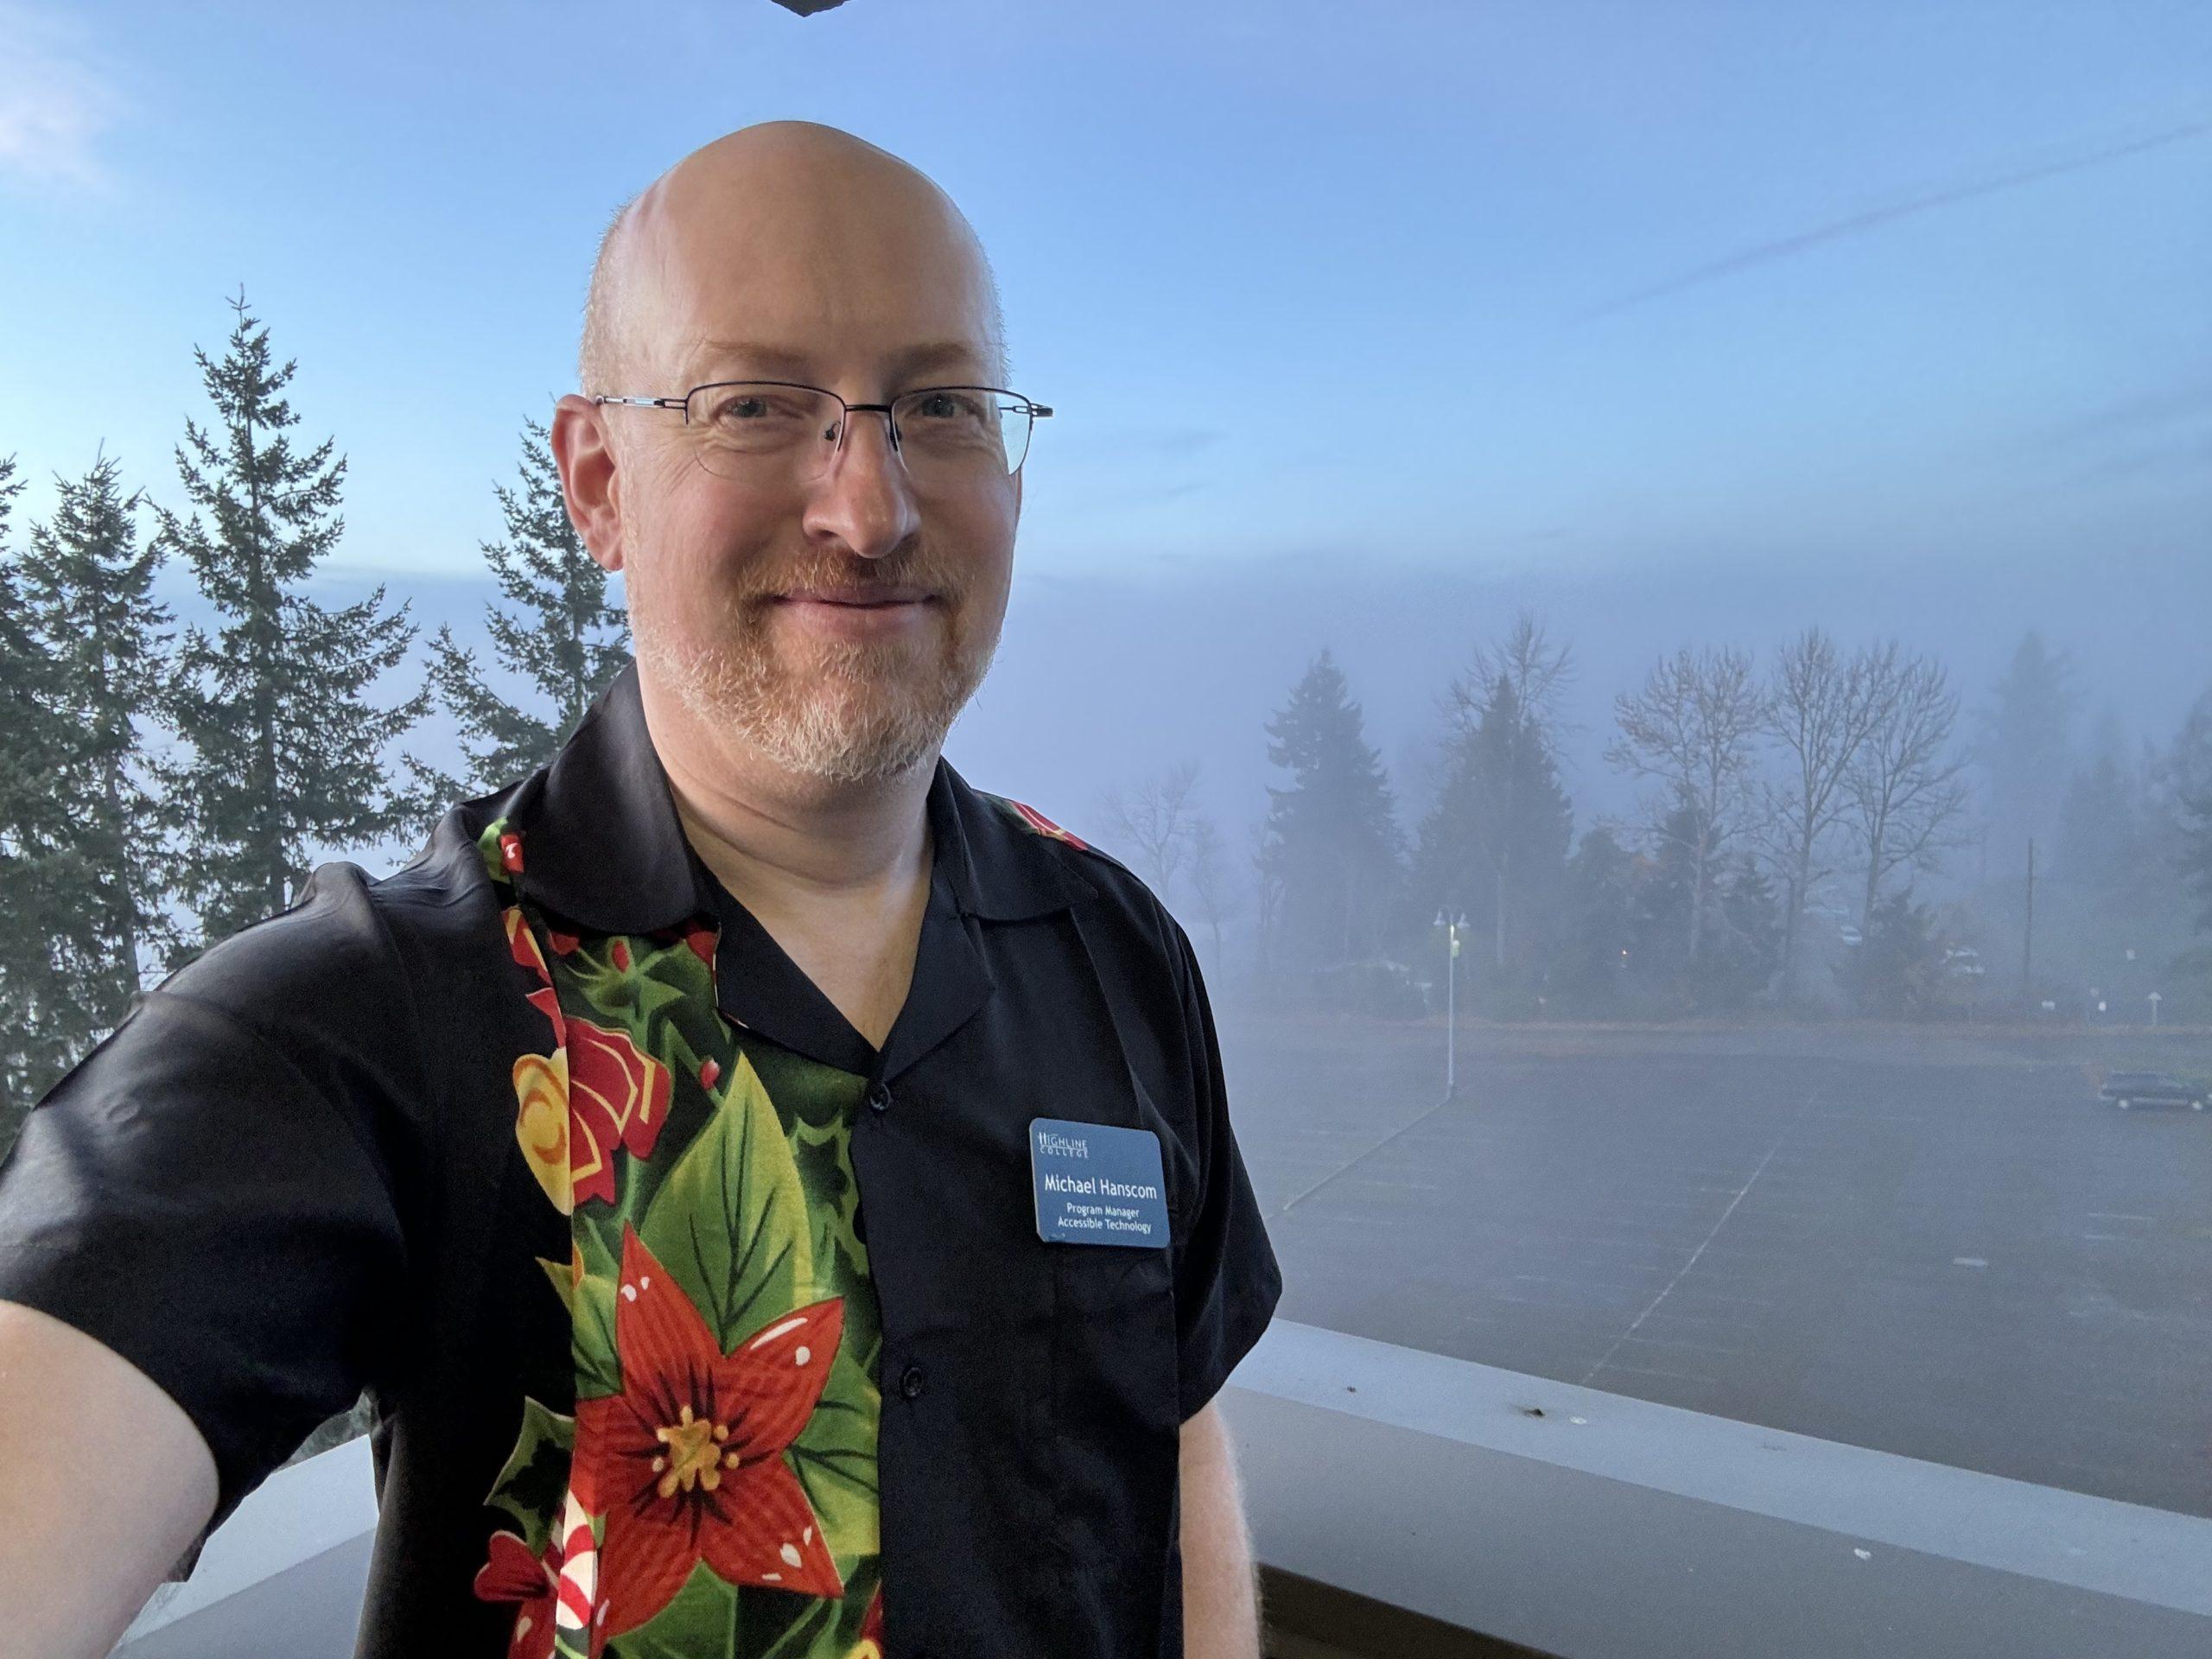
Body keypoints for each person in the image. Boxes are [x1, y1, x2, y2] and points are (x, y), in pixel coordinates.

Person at [0, 121, 1281, 1659]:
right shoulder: (369, 1024)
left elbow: (1179, 1442)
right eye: (756, 405)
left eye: (938, 405)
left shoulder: (1119, 953)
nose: (867, 510)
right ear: (599, 481)